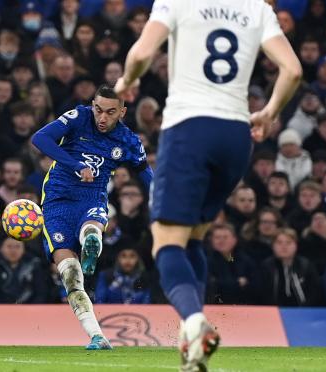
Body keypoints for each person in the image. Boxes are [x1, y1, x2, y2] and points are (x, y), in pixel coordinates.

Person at [115, 0, 301, 367]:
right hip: (235, 134)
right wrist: (270, 112)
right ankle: (193, 338)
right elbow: (292, 70)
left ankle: (195, 321)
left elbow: (142, 51)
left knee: (166, 242)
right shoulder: (257, 9)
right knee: (195, 236)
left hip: (190, 127)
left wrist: (127, 80)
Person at [31, 85, 153, 350]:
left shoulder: (129, 140)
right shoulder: (78, 117)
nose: (102, 118)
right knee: (70, 274)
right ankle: (98, 336)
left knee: (92, 226)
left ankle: (91, 241)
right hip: (57, 202)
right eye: (98, 109)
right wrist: (76, 165)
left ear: (122, 111)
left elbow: (145, 175)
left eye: (110, 112)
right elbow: (40, 139)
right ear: (92, 106)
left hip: (92, 197)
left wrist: (161, 203)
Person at [0, 237, 48, 304]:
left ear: (24, 250)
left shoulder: (33, 264)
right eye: (9, 246)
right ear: (1, 248)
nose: (13, 251)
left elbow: (41, 292)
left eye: (17, 247)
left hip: (29, 310)